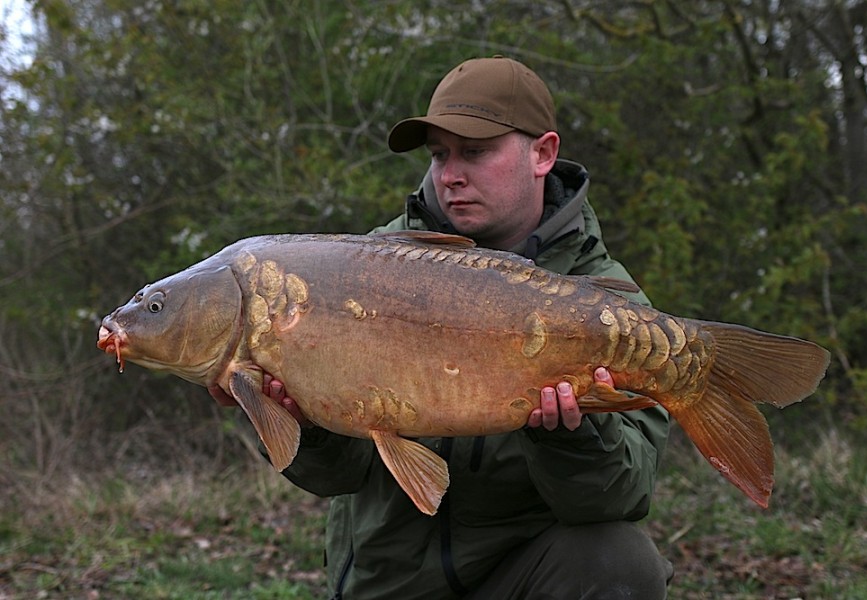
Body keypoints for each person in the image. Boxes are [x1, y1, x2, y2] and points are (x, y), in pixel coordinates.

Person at [222, 56, 673, 599]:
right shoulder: (359, 272)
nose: (450, 174)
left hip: (522, 578)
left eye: (476, 152)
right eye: (440, 155)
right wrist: (305, 418)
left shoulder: (607, 305)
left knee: (622, 565)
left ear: (543, 153)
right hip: (389, 585)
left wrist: (570, 434)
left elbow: (619, 498)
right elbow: (339, 477)